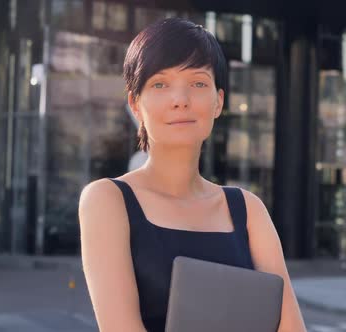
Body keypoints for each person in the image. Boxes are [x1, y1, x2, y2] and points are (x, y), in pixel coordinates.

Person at [78, 18, 307, 332]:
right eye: (160, 84)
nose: (180, 99)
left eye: (198, 83)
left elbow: (291, 328)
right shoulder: (107, 200)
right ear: (135, 104)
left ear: (218, 102)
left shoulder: (248, 209)